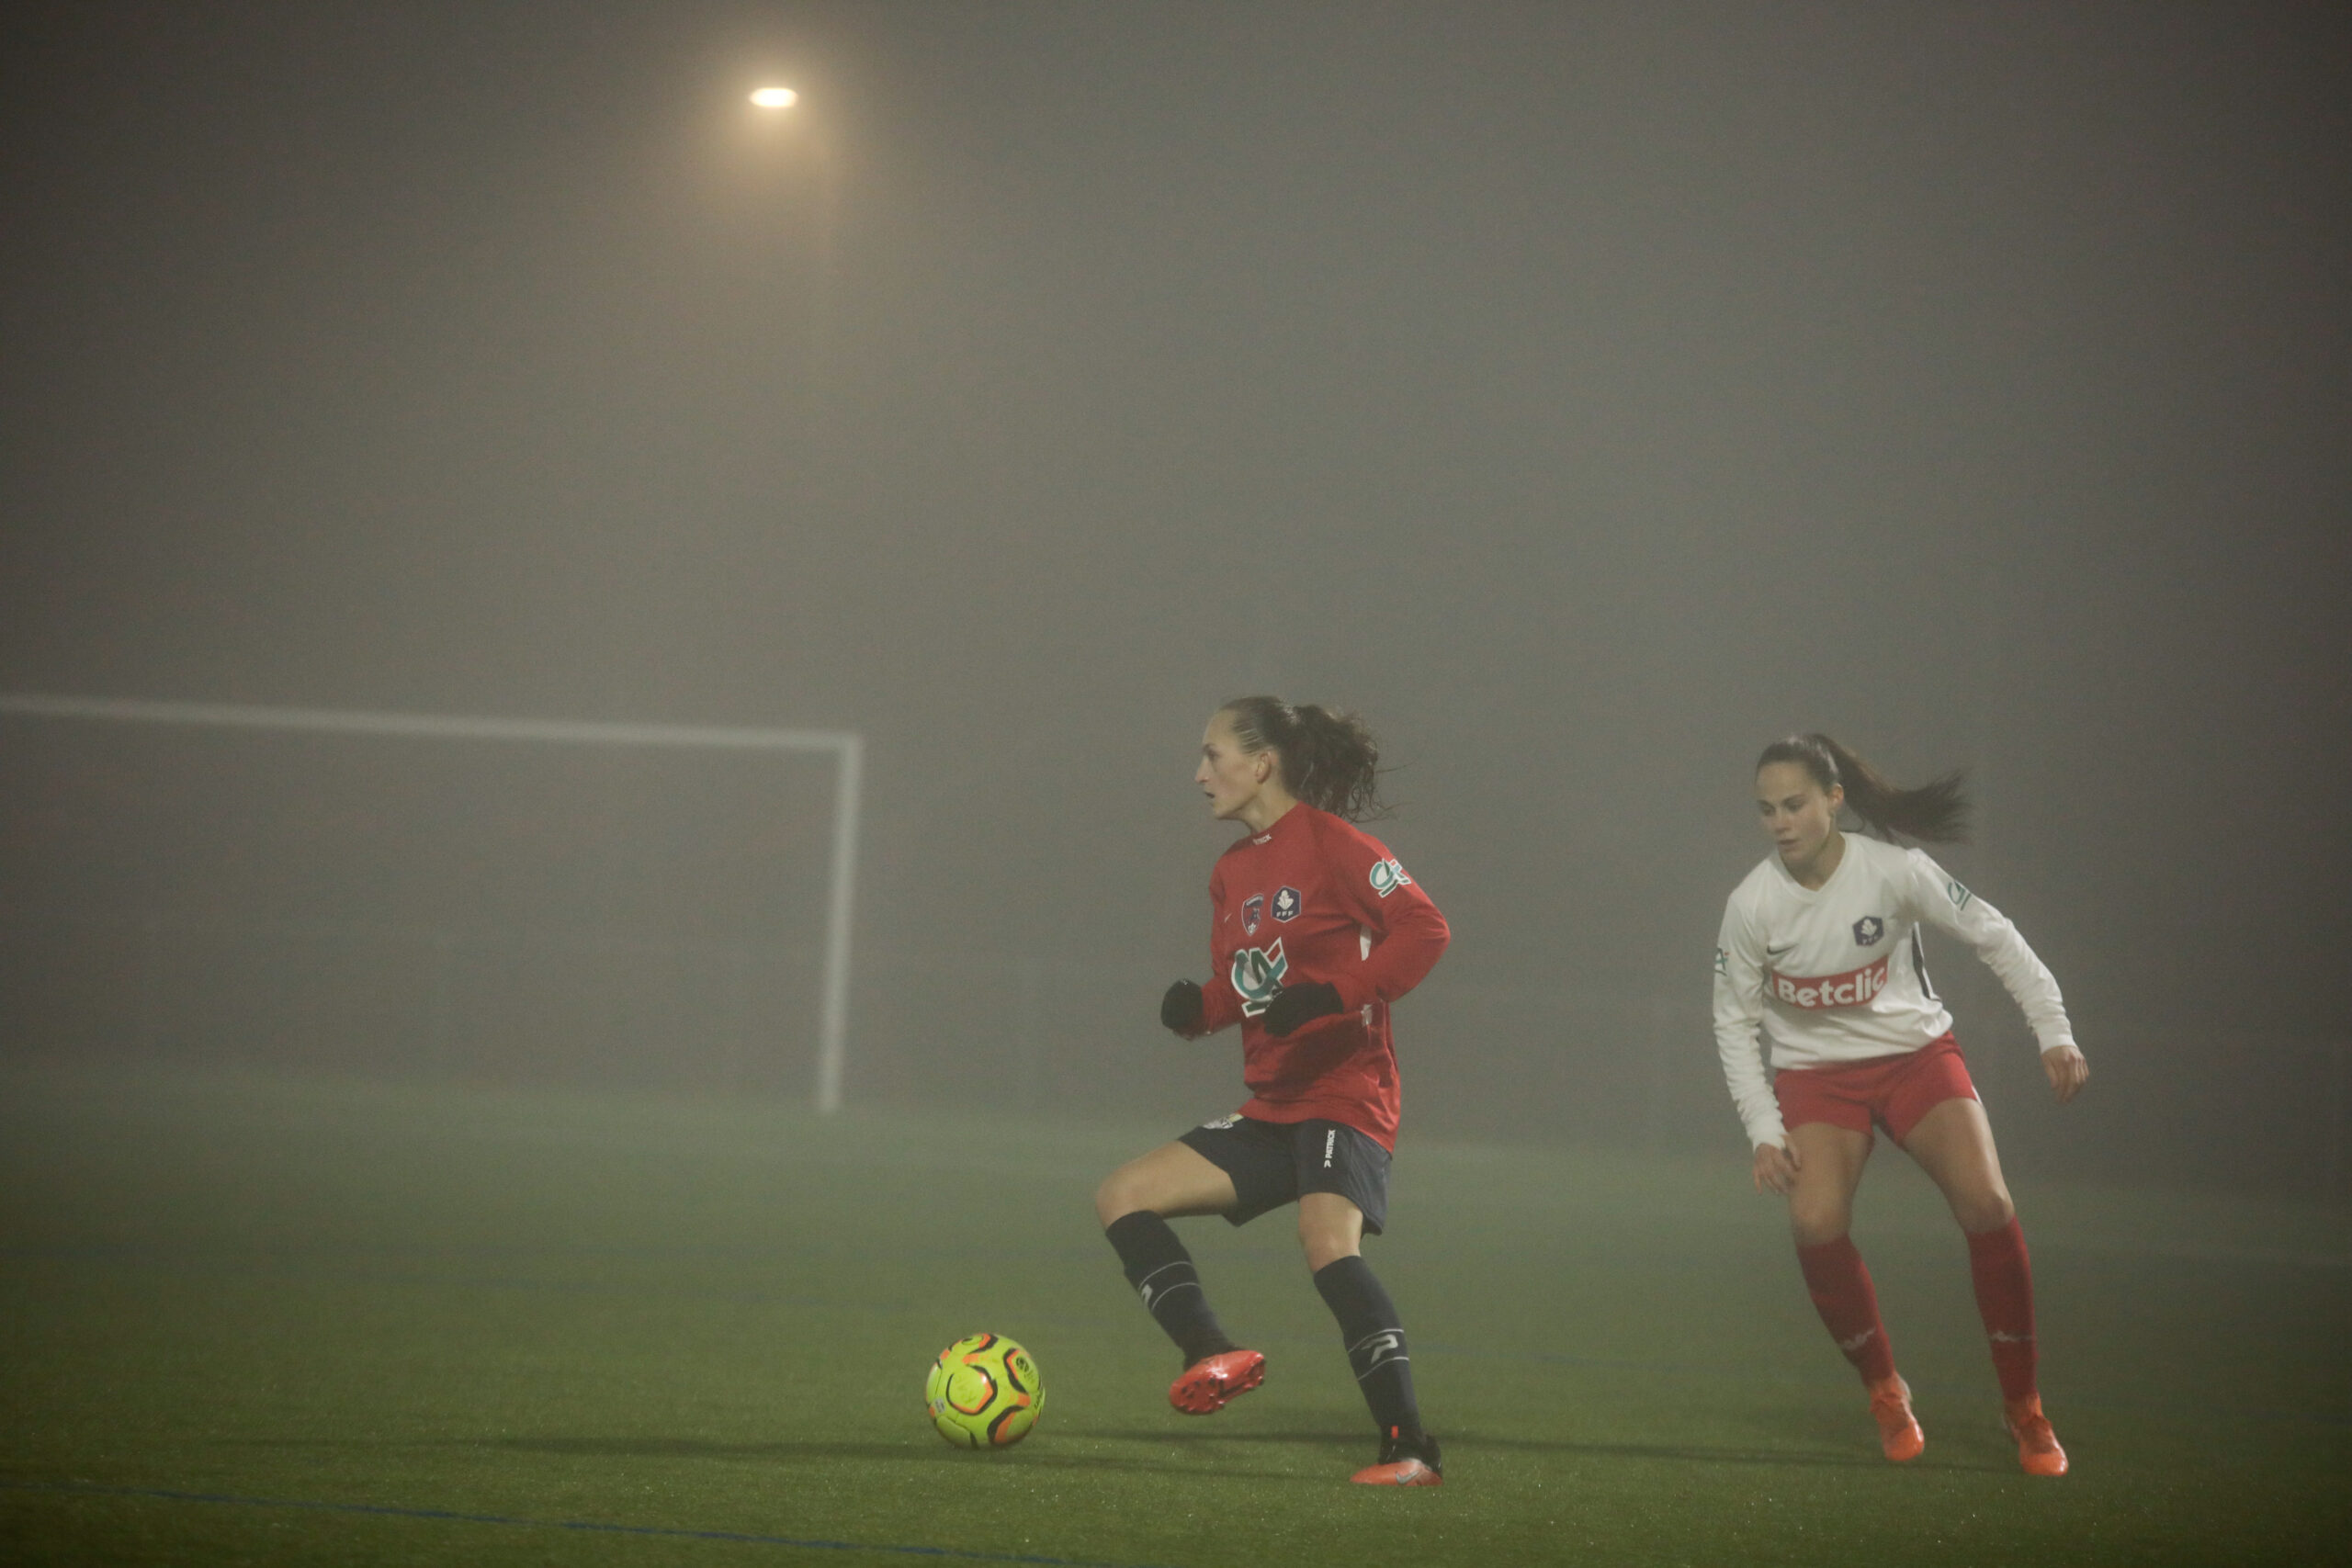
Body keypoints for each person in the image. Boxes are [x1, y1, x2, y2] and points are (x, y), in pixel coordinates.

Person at [1093, 696, 1452, 1486]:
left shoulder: (1337, 846)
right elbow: (1247, 990)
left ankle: (1410, 1446)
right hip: (1273, 1105)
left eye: (1213, 755)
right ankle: (1209, 1350)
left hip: (1345, 1091)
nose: (1199, 773)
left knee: (1326, 1241)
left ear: (1263, 763)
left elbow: (1426, 930)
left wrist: (1338, 993)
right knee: (1124, 1193)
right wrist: (1199, 1010)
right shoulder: (1231, 873)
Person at [1713, 733, 2089, 1478]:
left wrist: (2053, 1029)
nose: (1781, 821)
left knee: (1986, 1200)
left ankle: (2026, 1410)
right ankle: (1885, 1391)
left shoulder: (1894, 871)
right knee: (1815, 1220)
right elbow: (1732, 1018)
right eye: (1766, 810)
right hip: (1817, 1077)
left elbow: (1997, 936)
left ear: (1832, 799)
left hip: (1915, 1057)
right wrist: (1763, 1128)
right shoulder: (1751, 904)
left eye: (1794, 804)